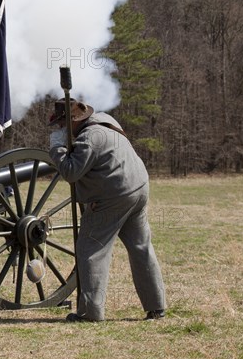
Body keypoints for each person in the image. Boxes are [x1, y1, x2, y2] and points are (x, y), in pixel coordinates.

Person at [48, 99, 166, 322]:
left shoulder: (88, 138)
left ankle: (90, 313)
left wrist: (57, 148)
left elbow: (71, 172)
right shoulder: (106, 120)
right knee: (141, 247)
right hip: (138, 187)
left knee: (91, 249)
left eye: (62, 125)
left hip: (114, 196)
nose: (60, 130)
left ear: (72, 121)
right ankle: (156, 306)